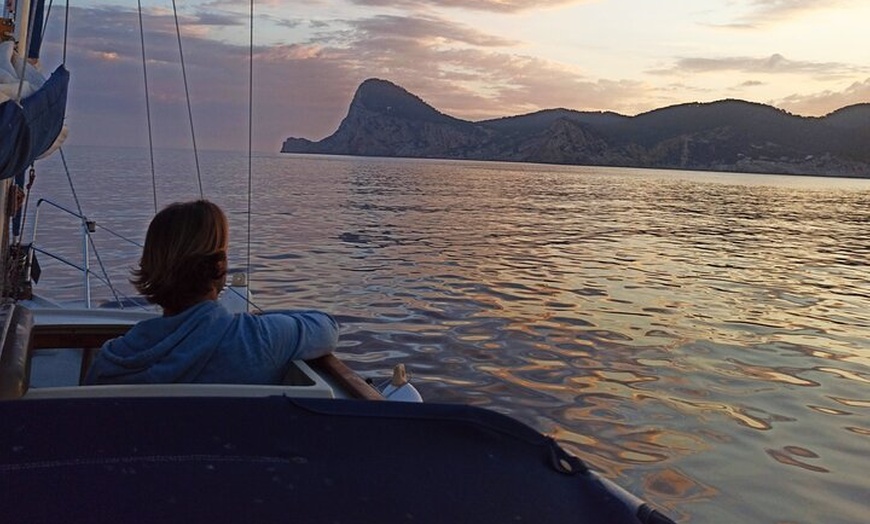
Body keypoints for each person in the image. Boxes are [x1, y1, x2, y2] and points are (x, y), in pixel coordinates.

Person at [84, 200, 339, 385]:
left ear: (150, 266)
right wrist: (258, 320)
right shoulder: (258, 340)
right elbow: (327, 328)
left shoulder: (112, 361)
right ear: (220, 267)